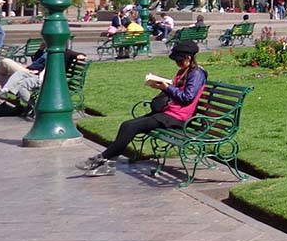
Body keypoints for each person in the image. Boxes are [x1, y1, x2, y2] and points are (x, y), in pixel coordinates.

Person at [78, 41, 207, 176]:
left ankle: (101, 158)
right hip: (169, 112)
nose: (177, 63)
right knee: (126, 125)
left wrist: (167, 88)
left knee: (131, 127)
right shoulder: (184, 71)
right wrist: (161, 86)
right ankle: (108, 163)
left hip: (177, 117)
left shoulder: (196, 73)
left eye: (179, 60)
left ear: (189, 58)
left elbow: (188, 97)